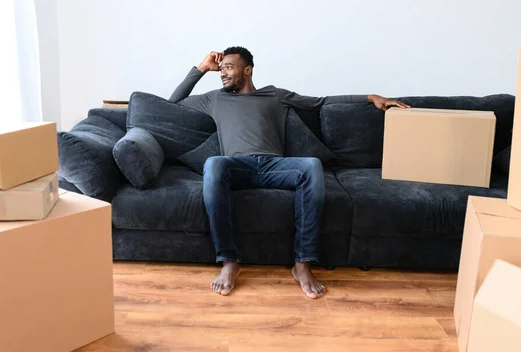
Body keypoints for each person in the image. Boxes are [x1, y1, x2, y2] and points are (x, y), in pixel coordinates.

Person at [169, 46, 409, 299]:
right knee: (214, 164)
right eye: (221, 68)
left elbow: (321, 103)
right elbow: (172, 104)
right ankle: (229, 261)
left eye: (229, 67)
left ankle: (302, 264)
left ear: (247, 70)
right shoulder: (215, 98)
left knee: (312, 165)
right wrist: (202, 68)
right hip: (237, 167)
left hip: (275, 167)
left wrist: (369, 97)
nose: (223, 73)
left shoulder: (275, 95)